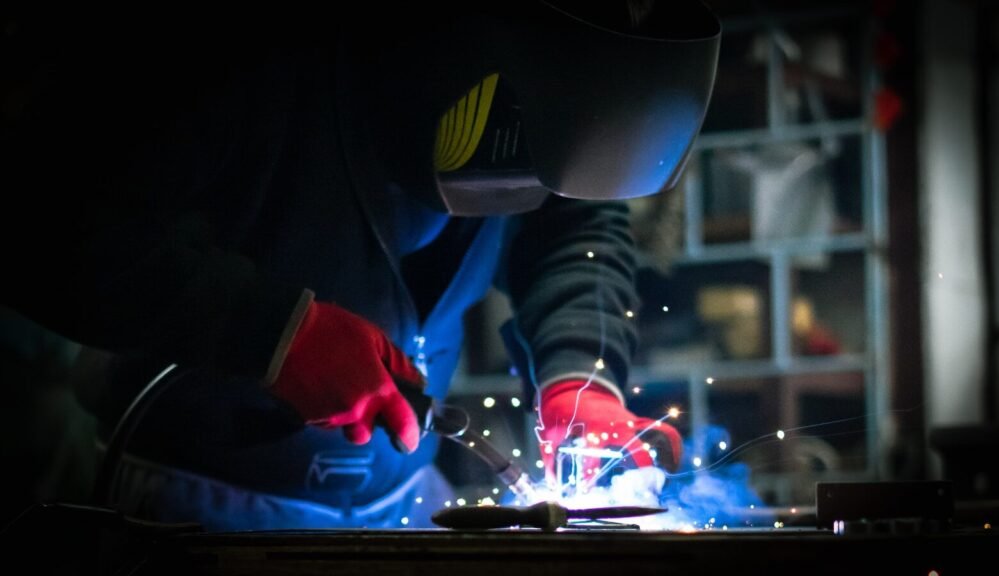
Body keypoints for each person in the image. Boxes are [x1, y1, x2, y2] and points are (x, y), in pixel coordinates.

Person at [1, 3, 719, 529]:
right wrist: (272, 332)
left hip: (404, 498)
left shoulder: (555, 101)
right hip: (188, 505)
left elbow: (574, 226)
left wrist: (580, 374)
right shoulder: (234, 50)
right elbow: (37, 220)